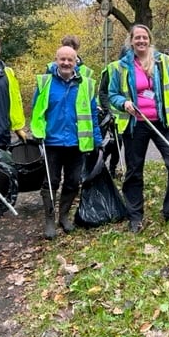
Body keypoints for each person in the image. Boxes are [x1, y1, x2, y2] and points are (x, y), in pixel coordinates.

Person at [108, 24, 169, 233]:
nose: (141, 41)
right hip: (136, 124)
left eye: (145, 37)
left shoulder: (162, 62)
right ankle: (135, 216)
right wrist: (123, 103)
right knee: (134, 171)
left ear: (149, 39)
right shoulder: (120, 66)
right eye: (137, 38)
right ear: (131, 41)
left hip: (164, 121)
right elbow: (112, 94)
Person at [31, 45, 102, 240]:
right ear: (56, 60)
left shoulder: (86, 84)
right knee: (51, 182)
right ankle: (49, 219)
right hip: (52, 142)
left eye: (70, 59)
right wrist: (37, 132)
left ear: (76, 61)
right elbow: (36, 110)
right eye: (62, 59)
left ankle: (63, 216)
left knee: (72, 181)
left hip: (77, 143)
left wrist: (97, 138)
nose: (66, 63)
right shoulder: (45, 82)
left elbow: (93, 113)